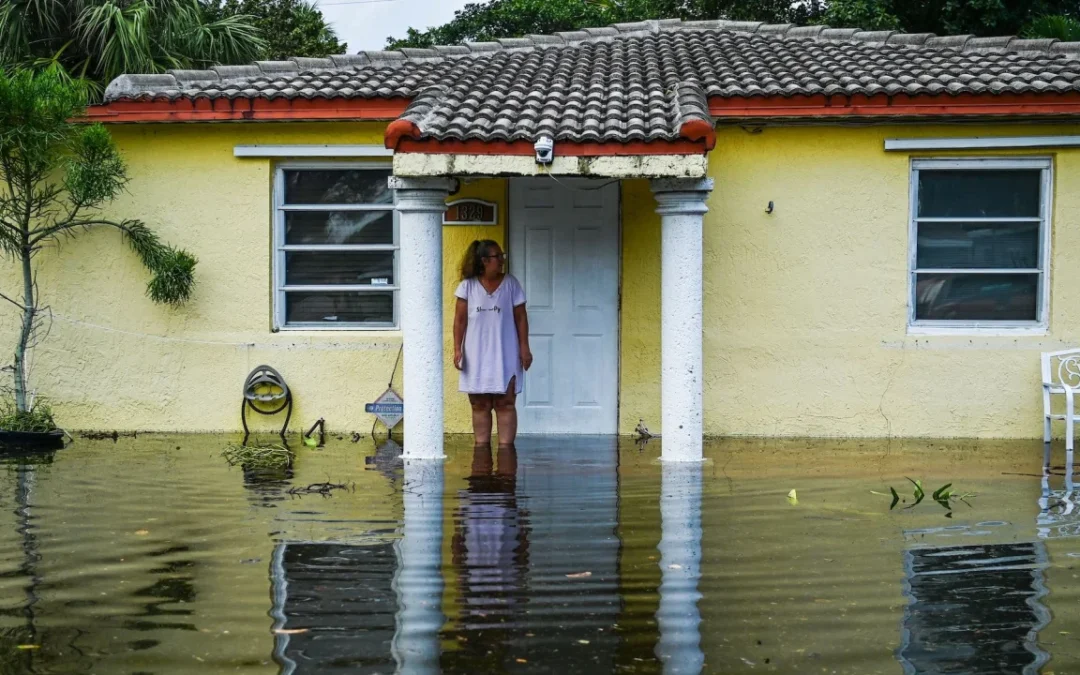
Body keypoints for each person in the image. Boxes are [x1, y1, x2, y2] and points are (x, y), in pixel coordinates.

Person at [453, 240, 532, 447]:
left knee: (505, 403)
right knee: (480, 404)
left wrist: (525, 347)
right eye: (498, 257)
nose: (502, 260)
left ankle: (506, 456)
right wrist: (456, 349)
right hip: (476, 353)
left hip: (506, 352)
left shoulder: (511, 284)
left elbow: (521, 318)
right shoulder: (467, 287)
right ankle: (481, 457)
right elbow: (459, 320)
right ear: (484, 261)